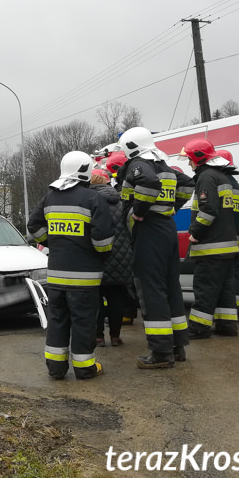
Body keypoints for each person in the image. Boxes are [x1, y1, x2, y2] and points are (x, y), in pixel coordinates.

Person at [28, 151, 114, 380]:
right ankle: (85, 368)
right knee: (83, 323)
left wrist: (51, 242)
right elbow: (104, 242)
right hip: (85, 278)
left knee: (57, 321)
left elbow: (33, 226)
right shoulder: (93, 199)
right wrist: (98, 255)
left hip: (56, 276)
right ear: (86, 170)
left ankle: (56, 369)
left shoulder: (50, 197)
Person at [118, 127, 195, 369]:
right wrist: (171, 208)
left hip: (149, 231)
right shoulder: (163, 165)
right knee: (170, 287)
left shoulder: (138, 165)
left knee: (152, 290)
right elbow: (187, 184)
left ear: (130, 146)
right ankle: (177, 345)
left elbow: (148, 182)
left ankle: (161, 353)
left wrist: (139, 212)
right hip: (167, 229)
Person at [180, 139, 239, 338]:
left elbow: (208, 210)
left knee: (205, 288)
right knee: (224, 288)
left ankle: (199, 328)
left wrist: (195, 232)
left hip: (211, 247)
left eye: (189, 159)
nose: (189, 163)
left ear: (198, 158)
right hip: (227, 246)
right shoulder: (223, 177)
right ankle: (227, 326)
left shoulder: (206, 177)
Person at [89, 168, 131, 347]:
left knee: (96, 298)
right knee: (117, 297)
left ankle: (98, 336)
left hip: (96, 256)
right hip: (121, 258)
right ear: (107, 182)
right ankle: (115, 336)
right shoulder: (121, 201)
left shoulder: (89, 201)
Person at [105, 150, 139, 326]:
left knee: (126, 283)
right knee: (128, 279)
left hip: (122, 242)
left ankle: (127, 313)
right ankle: (127, 313)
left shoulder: (119, 190)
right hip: (129, 241)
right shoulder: (125, 187)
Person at [216, 148, 239, 320]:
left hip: (222, 236)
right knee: (234, 272)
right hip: (233, 235)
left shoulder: (222, 183)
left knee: (224, 275)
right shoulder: (235, 184)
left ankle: (230, 310)